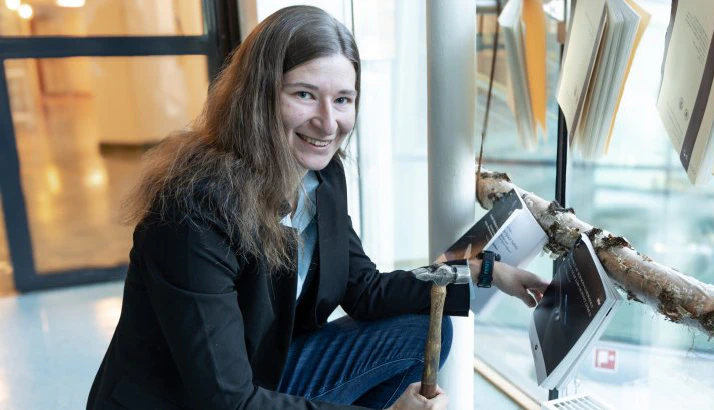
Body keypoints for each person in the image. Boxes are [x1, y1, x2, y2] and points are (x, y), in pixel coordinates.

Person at [86, 5, 548, 410]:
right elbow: (224, 399)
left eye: (343, 100)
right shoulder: (193, 211)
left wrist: (483, 273)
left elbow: (365, 289)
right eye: (304, 94)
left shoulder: (320, 177)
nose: (328, 123)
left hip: (260, 375)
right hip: (192, 400)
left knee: (423, 325)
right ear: (259, 97)